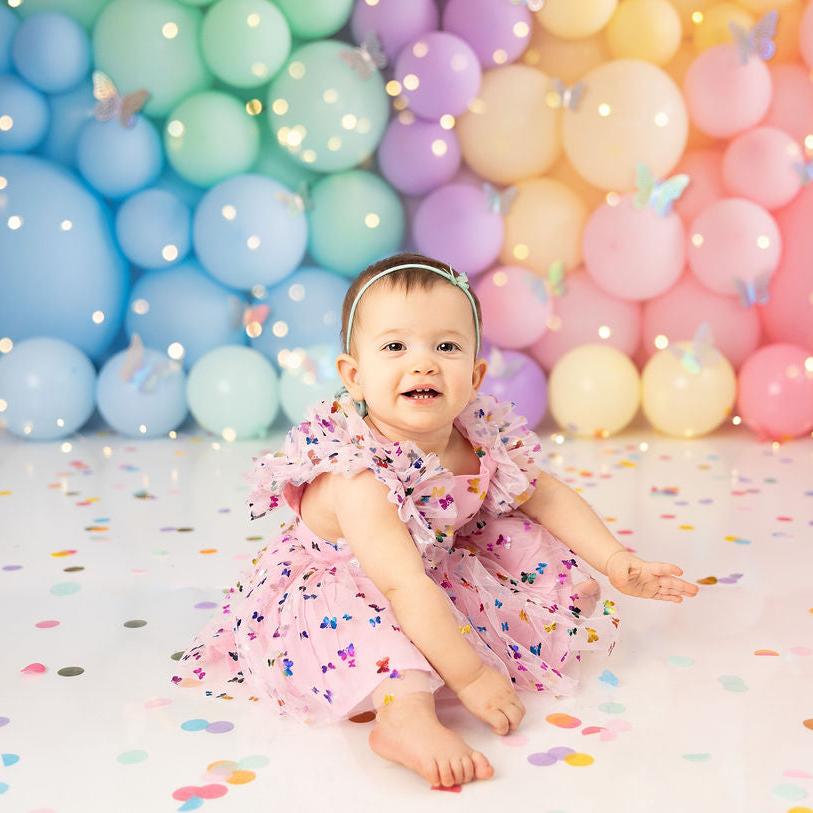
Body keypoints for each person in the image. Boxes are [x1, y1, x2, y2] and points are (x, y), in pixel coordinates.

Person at [173, 252, 698, 788]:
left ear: (474, 377)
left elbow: (548, 496)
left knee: (507, 516)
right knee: (376, 611)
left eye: (445, 346)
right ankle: (404, 717)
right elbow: (401, 585)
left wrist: (615, 559)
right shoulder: (358, 475)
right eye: (395, 346)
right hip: (346, 586)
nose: (423, 363)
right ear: (354, 377)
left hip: (424, 564)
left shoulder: (474, 437)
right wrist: (470, 677)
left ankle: (544, 600)